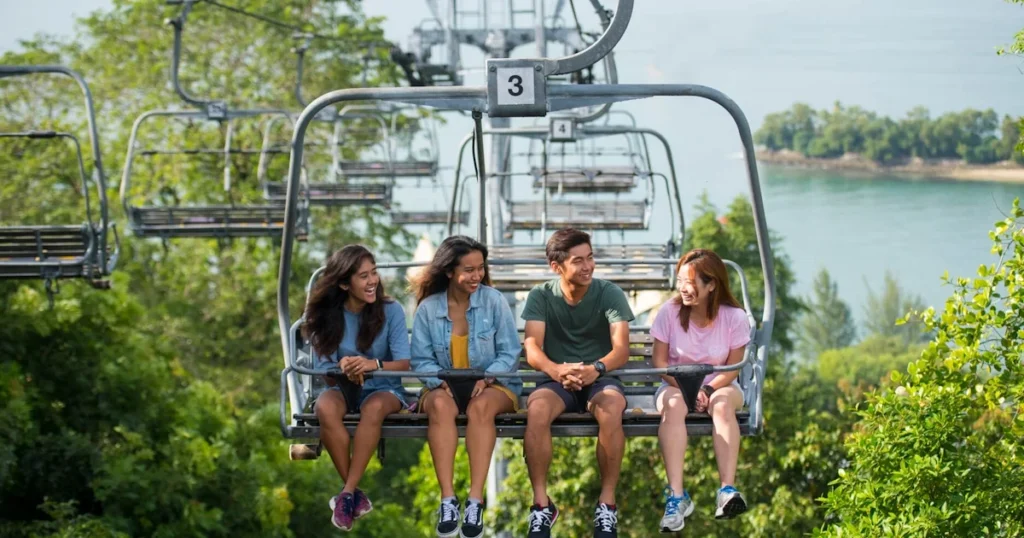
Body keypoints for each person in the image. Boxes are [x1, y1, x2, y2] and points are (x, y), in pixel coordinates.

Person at [520, 228, 635, 538]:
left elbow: (621, 349)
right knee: (537, 410)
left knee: (611, 408)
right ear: (556, 267)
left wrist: (597, 368)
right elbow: (532, 346)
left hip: (601, 378)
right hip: (558, 380)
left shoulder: (609, 293)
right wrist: (556, 370)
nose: (588, 266)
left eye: (590, 258)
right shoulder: (541, 295)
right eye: (578, 261)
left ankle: (607, 504)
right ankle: (541, 505)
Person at [410, 235, 522, 538]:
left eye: (480, 268)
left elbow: (509, 352)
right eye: (468, 270)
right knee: (439, 406)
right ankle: (448, 499)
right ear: (449, 271)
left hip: (492, 384)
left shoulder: (493, 301)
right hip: (443, 385)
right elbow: (421, 360)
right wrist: (439, 382)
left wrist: (486, 378)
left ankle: (475, 500)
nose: (477, 276)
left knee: (480, 408)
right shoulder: (428, 309)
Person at [304, 245, 412, 531]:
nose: (372, 281)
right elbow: (325, 372)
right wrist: (344, 367)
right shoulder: (328, 316)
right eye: (364, 276)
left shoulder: (391, 311)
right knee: (325, 407)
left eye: (374, 273)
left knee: (372, 408)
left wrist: (372, 365)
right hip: (343, 388)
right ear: (344, 284)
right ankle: (352, 495)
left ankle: (347, 492)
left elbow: (404, 363)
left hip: (384, 389)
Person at [651, 248, 752, 532]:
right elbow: (660, 363)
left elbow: (732, 368)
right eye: (681, 281)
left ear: (711, 285)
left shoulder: (734, 317)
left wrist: (706, 388)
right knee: (673, 406)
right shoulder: (669, 313)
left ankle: (727, 490)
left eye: (691, 282)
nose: (684, 288)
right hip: (674, 383)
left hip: (721, 384)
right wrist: (686, 388)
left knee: (721, 405)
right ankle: (676, 497)